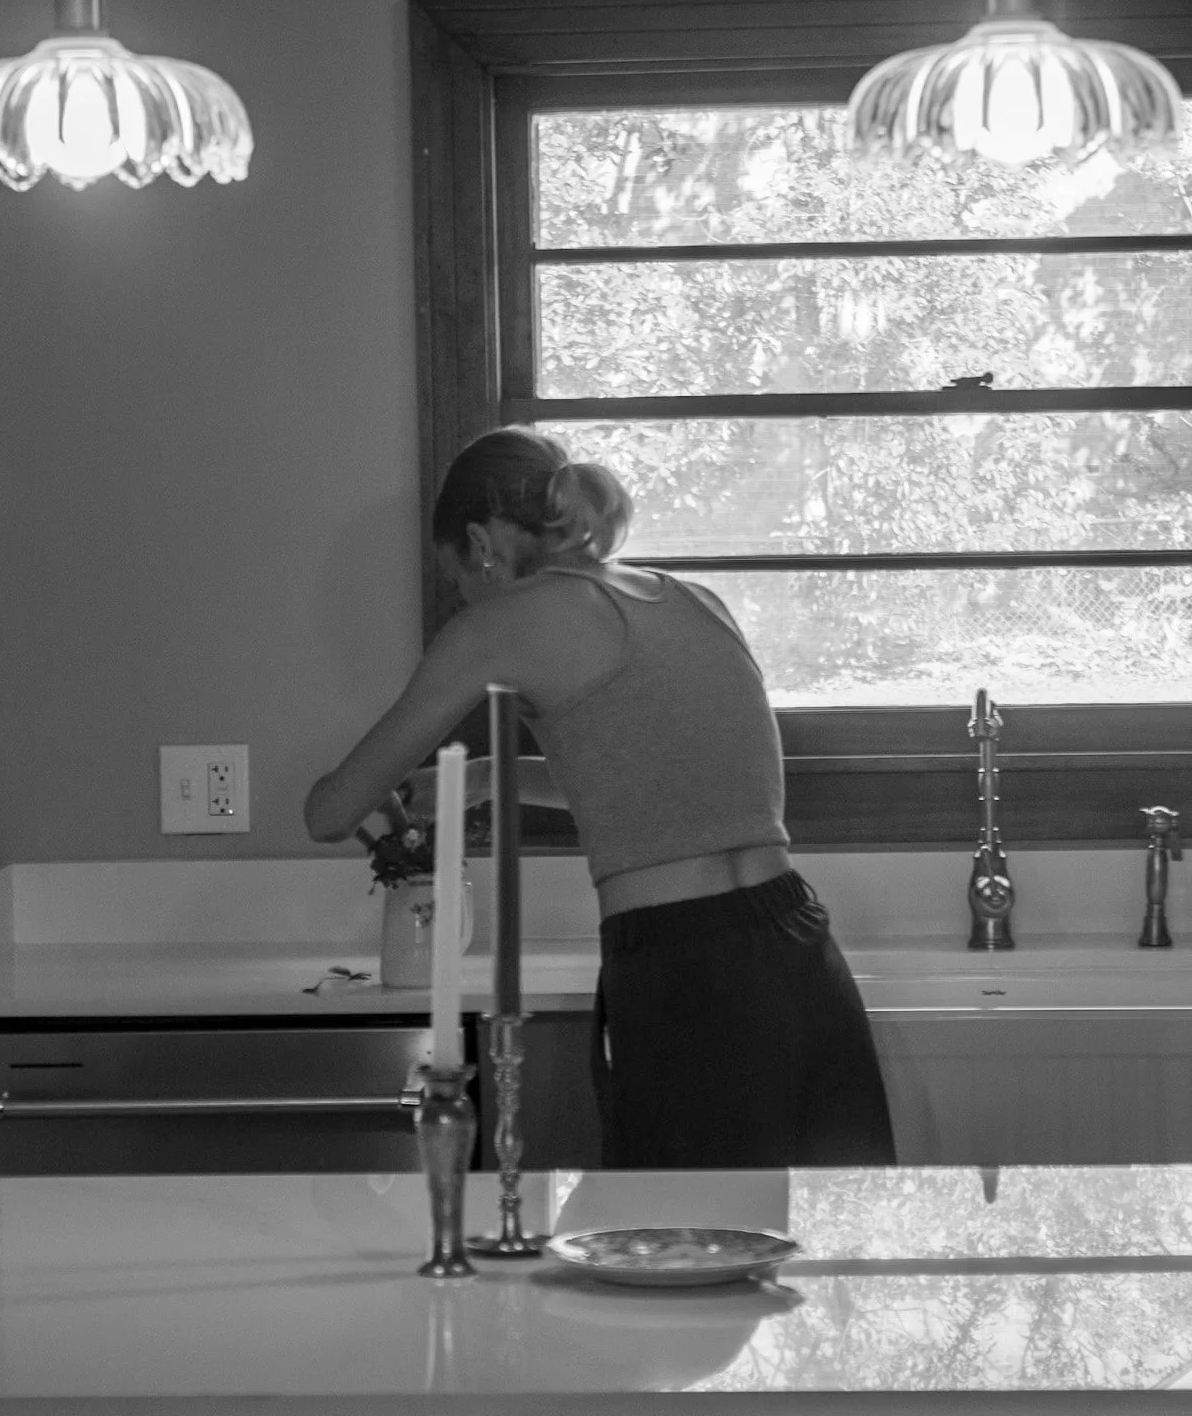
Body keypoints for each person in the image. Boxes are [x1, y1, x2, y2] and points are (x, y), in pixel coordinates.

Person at [305, 427, 895, 1168]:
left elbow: (330, 813)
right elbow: (656, 784)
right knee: (809, 1242)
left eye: (454, 573)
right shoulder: (689, 599)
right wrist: (487, 777)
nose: (461, 592)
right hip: (797, 948)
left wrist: (330, 791)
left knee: (668, 1241)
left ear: (481, 542)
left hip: (684, 970)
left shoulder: (498, 623)